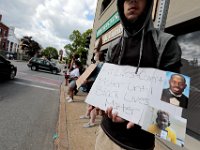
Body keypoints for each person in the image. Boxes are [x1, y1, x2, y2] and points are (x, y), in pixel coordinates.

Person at [95, 0, 182, 150]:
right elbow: (104, 88)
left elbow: (172, 110)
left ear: (149, 3)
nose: (132, 0)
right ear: (121, 4)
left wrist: (140, 116)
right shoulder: (113, 46)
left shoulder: (166, 44)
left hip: (137, 145)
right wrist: (96, 101)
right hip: (104, 135)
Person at [79, 50, 105, 128]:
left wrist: (87, 80)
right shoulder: (98, 64)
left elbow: (97, 77)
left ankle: (91, 122)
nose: (95, 56)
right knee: (89, 102)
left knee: (92, 104)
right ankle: (87, 115)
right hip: (94, 86)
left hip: (96, 87)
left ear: (99, 56)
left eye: (96, 55)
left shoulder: (101, 65)